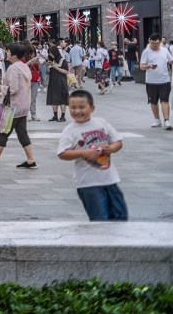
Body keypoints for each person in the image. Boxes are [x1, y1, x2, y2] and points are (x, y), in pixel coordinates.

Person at [57, 90, 127, 221]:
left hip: (110, 180)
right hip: (88, 184)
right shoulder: (70, 130)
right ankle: (101, 241)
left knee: (120, 217)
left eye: (82, 107)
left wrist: (110, 148)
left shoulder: (101, 123)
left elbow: (118, 141)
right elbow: (62, 153)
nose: (77, 111)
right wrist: (83, 152)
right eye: (73, 107)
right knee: (99, 219)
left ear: (92, 108)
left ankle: (116, 241)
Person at [0, 42, 37, 169]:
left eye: (9, 51)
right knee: (22, 133)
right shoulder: (24, 66)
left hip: (12, 107)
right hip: (23, 106)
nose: (7, 53)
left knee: (2, 131)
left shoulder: (12, 68)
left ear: (14, 55)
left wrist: (0, 88)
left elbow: (13, 89)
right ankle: (30, 160)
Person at [140, 33, 173, 129]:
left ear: (160, 42)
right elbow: (142, 66)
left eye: (157, 43)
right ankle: (157, 120)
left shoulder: (165, 50)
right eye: (153, 43)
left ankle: (167, 121)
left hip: (164, 80)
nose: (155, 45)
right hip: (151, 81)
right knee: (153, 102)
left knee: (165, 100)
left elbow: (171, 61)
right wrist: (149, 66)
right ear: (149, 41)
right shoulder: (146, 52)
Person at [45, 44, 70, 122]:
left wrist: (56, 68)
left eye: (51, 53)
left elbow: (66, 71)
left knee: (62, 99)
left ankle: (63, 116)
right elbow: (49, 72)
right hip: (53, 81)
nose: (50, 54)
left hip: (61, 81)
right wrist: (47, 66)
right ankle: (55, 116)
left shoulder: (63, 60)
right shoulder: (50, 61)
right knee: (53, 98)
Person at [25, 43, 41, 122]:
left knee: (33, 97)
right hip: (26, 81)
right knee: (26, 98)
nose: (32, 55)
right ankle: (26, 113)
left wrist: (38, 64)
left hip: (34, 80)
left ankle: (33, 113)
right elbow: (21, 68)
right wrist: (28, 63)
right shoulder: (24, 59)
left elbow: (39, 70)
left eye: (34, 53)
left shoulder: (35, 60)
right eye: (31, 53)